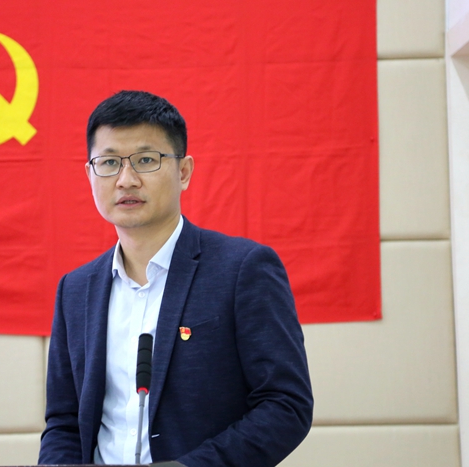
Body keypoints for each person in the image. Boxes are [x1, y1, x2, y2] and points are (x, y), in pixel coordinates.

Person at [38, 90, 313, 467]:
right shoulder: (75, 289)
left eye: (146, 160)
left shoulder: (242, 269)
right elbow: (64, 422)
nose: (126, 180)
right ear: (90, 174)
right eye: (109, 163)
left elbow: (286, 405)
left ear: (183, 172)